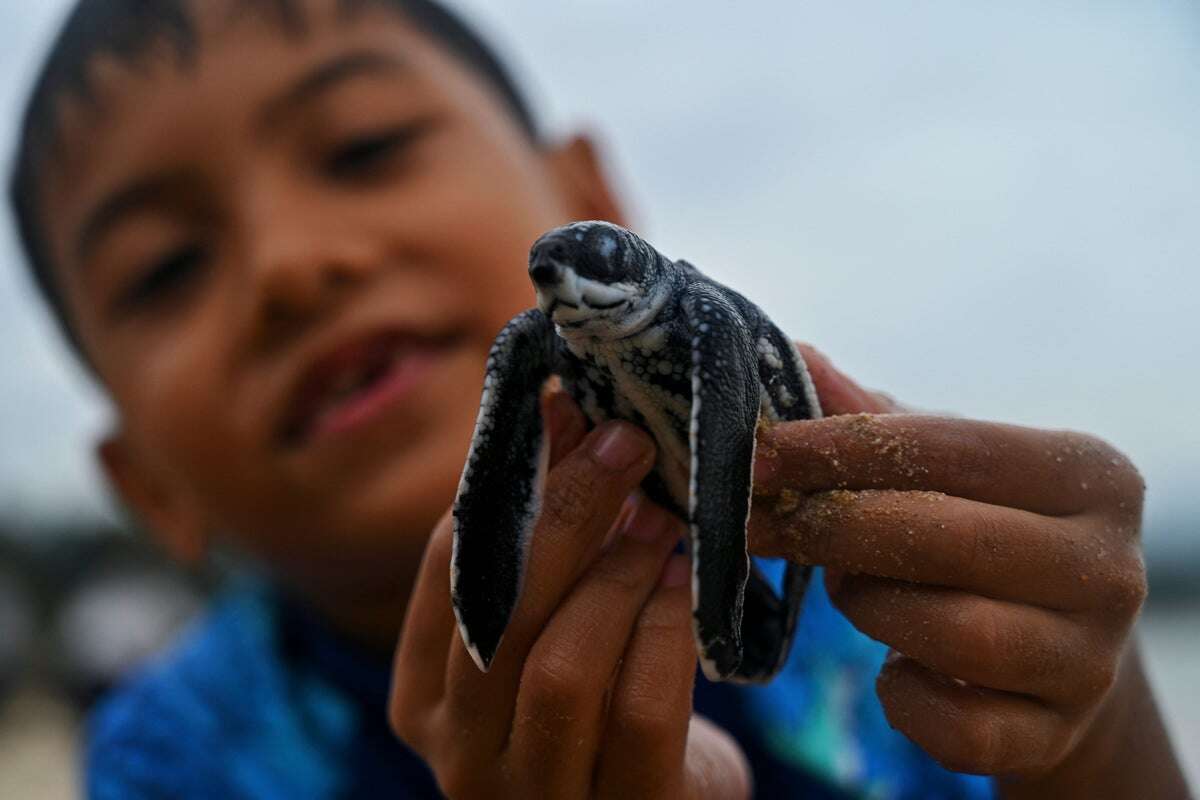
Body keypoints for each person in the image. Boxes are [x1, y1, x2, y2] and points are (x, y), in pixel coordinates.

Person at [8, 0, 1188, 797]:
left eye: (363, 148)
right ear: (148, 489)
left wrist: (1081, 728)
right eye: (168, 268)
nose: (290, 265)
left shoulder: (884, 605)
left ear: (593, 196)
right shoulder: (179, 756)